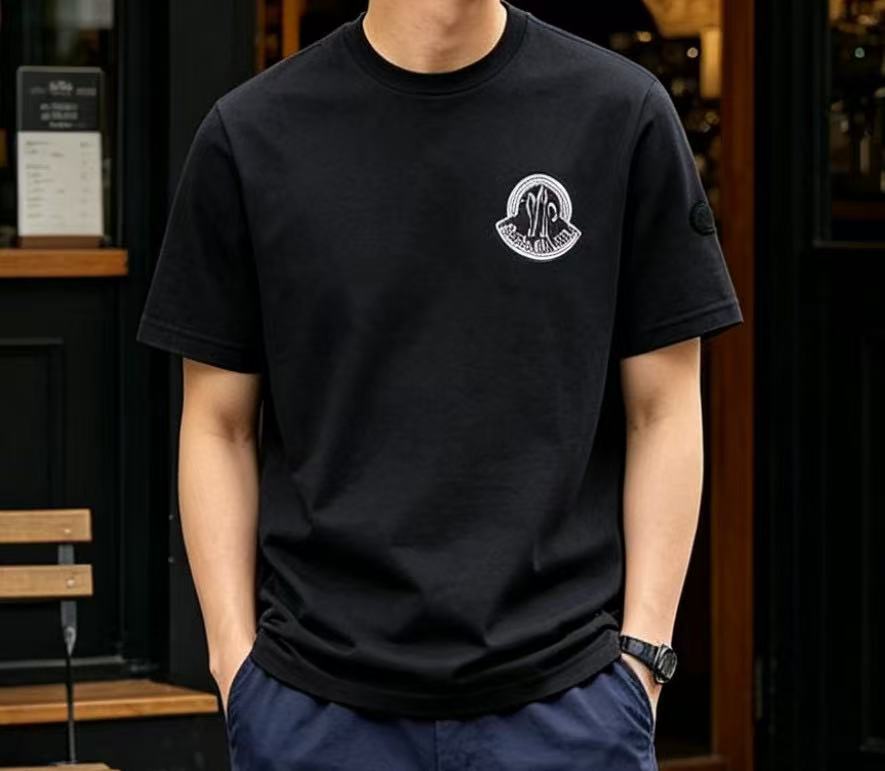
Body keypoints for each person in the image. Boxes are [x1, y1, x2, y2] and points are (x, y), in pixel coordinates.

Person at [136, 0, 743, 768]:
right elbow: (216, 422)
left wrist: (642, 658)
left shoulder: (618, 114)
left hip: (566, 705)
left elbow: (663, 409)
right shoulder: (252, 133)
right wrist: (235, 664)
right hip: (317, 707)